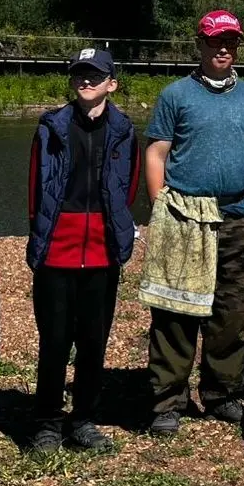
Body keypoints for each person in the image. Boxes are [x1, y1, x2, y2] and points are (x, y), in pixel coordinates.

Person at [141, 10, 244, 436]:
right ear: (199, 44)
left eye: (231, 42)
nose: (223, 49)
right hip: (185, 217)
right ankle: (168, 399)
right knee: (175, 312)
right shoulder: (176, 95)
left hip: (238, 220)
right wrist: (161, 206)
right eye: (215, 41)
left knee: (230, 315)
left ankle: (222, 392)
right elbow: (156, 153)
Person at [25, 47, 141, 454]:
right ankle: (47, 421)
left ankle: (84, 419)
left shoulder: (124, 130)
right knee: (54, 341)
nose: (86, 81)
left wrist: (119, 229)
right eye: (79, 74)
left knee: (94, 341)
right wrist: (39, 235)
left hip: (103, 249)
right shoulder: (51, 126)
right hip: (57, 246)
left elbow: (128, 186)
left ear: (112, 83)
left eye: (95, 76)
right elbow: (36, 187)